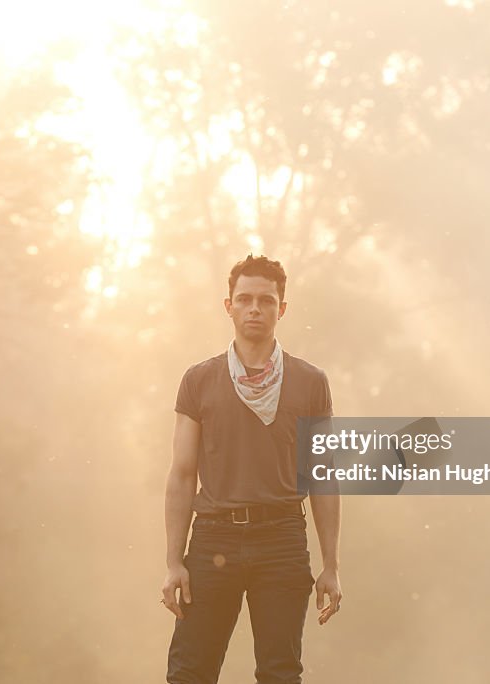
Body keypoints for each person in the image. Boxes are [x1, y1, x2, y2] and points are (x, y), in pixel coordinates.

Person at [162, 255, 342, 684]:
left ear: (282, 308)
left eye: (266, 300)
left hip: (281, 540)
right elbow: (183, 474)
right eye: (244, 299)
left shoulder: (311, 382)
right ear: (228, 306)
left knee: (280, 674)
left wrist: (331, 565)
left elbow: (323, 477)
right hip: (212, 539)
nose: (254, 308)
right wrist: (174, 561)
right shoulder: (198, 380)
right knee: (190, 673)